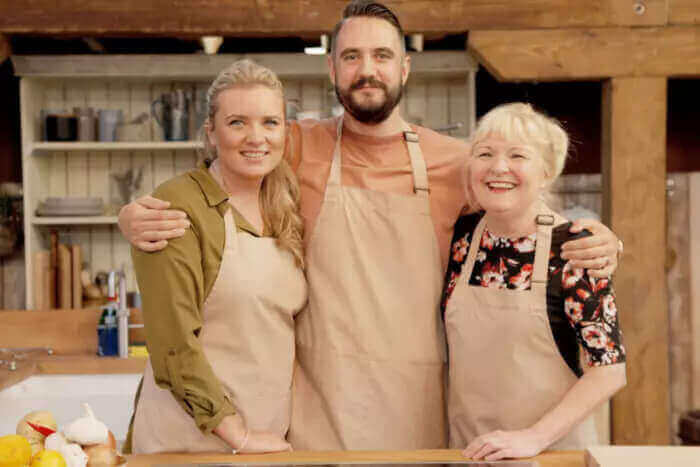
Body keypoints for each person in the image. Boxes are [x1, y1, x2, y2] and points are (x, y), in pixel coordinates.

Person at [118, 1, 622, 451]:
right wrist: (131, 215)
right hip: (319, 413)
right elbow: (229, 163)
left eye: (382, 56)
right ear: (332, 66)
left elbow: (519, 202)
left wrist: (600, 237)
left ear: (404, 67)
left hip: (418, 411)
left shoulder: (457, 163)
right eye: (352, 57)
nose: (367, 70)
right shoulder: (293, 144)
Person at [125, 60, 307, 454]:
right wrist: (237, 434)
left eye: (270, 123)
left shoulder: (284, 204)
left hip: (265, 438)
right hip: (189, 442)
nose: (256, 137)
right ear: (211, 131)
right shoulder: (180, 205)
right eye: (237, 122)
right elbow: (172, 344)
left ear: (286, 132)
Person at [443, 103, 626, 461]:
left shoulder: (575, 250)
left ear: (546, 171)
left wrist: (532, 438)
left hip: (551, 456)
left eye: (517, 155)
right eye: (485, 154)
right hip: (469, 454)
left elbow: (610, 370)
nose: (498, 167)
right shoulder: (461, 241)